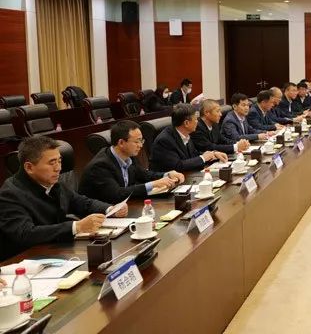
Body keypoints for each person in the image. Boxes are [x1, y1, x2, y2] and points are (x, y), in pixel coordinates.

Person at [0, 137, 129, 260]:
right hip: (24, 260)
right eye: (52, 163)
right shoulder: (10, 194)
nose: (58, 168)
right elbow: (25, 234)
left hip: (56, 250)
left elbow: (80, 201)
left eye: (59, 161)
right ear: (29, 167)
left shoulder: (52, 182)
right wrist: (76, 226)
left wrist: (110, 209)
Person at [79, 121, 184, 204]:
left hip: (124, 206)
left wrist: (167, 175)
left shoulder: (129, 156)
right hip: (101, 215)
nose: (140, 145)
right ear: (121, 143)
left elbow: (144, 175)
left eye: (141, 141)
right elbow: (117, 194)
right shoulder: (100, 166)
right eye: (136, 141)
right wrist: (153, 184)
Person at [150, 104, 228, 172]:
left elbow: (193, 155)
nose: (197, 122)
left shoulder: (185, 133)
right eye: (196, 119)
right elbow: (177, 166)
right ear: (186, 123)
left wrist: (212, 154)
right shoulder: (164, 140)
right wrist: (203, 158)